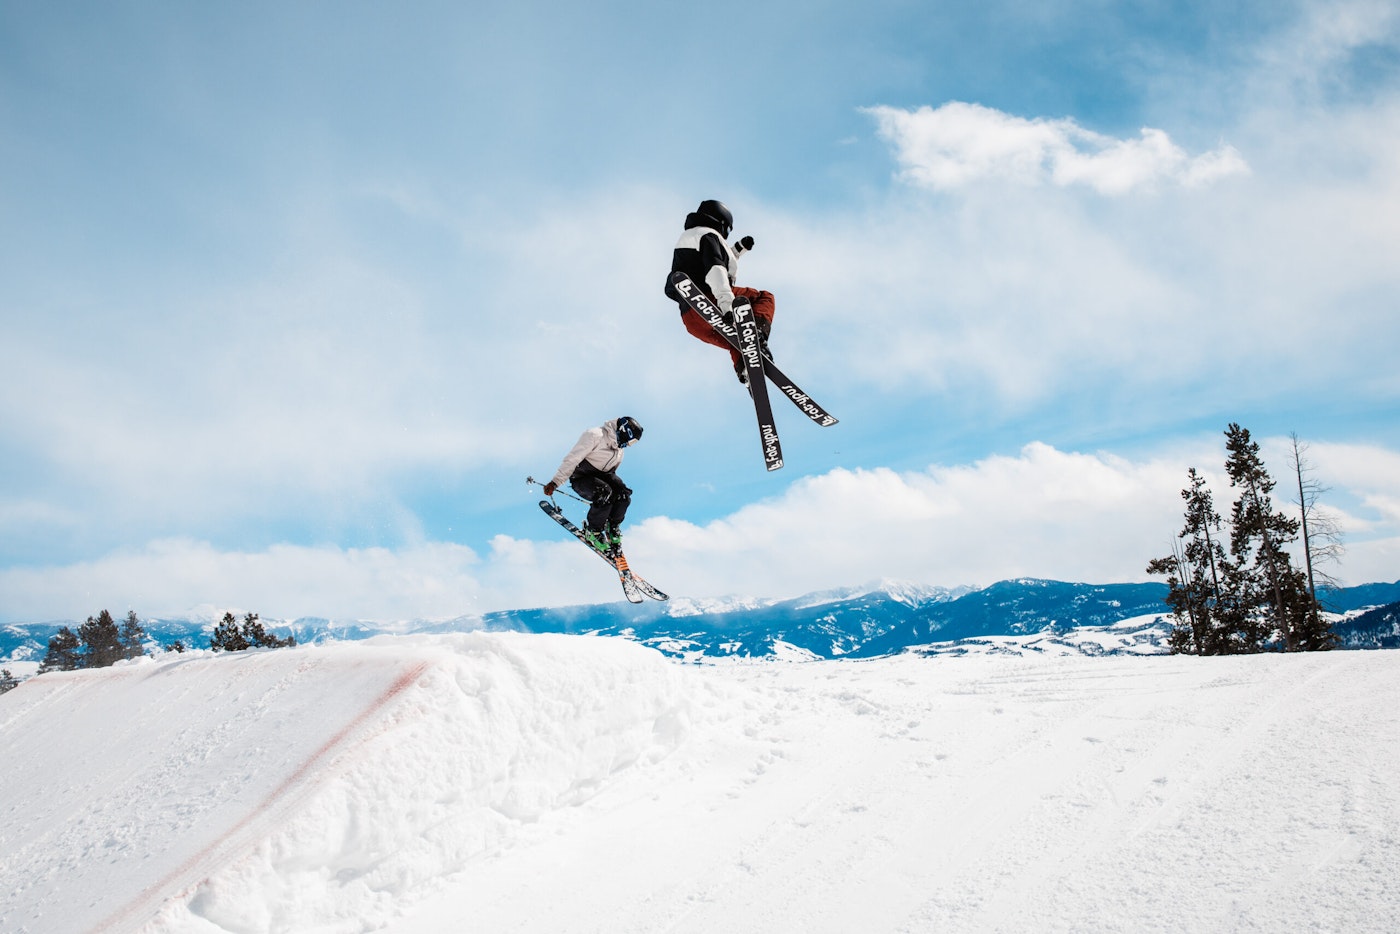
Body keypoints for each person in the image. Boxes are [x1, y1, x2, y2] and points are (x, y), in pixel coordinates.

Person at [663, 199, 775, 384]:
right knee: (764, 297)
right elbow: (716, 268)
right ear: (721, 223)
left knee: (737, 340)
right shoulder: (709, 236)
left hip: (692, 318)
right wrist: (727, 305)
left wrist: (740, 249)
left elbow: (713, 258)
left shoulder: (691, 237)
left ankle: (746, 369)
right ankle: (756, 336)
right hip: (712, 301)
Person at [543, 416, 643, 554]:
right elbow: (573, 458)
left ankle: (612, 527)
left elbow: (612, 474)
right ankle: (593, 531)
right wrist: (555, 482)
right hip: (581, 476)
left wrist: (614, 503)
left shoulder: (619, 449)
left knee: (623, 495)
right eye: (630, 442)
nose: (627, 445)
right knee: (604, 493)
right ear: (624, 431)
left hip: (602, 476)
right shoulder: (595, 435)